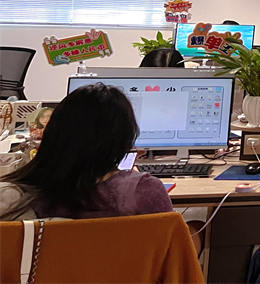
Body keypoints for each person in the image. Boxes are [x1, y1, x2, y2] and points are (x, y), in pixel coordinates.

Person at [0, 84, 173, 220]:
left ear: (54, 133)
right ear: (124, 138)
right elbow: (170, 249)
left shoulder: (19, 199)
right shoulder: (143, 191)